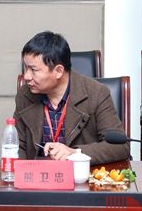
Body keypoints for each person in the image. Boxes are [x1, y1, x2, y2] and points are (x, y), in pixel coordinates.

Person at [13, 31, 130, 165]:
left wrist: (75, 153)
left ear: (58, 71)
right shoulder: (25, 95)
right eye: (26, 68)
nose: (26, 76)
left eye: (33, 70)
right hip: (39, 173)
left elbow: (121, 147)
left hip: (80, 174)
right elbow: (17, 146)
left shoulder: (96, 94)